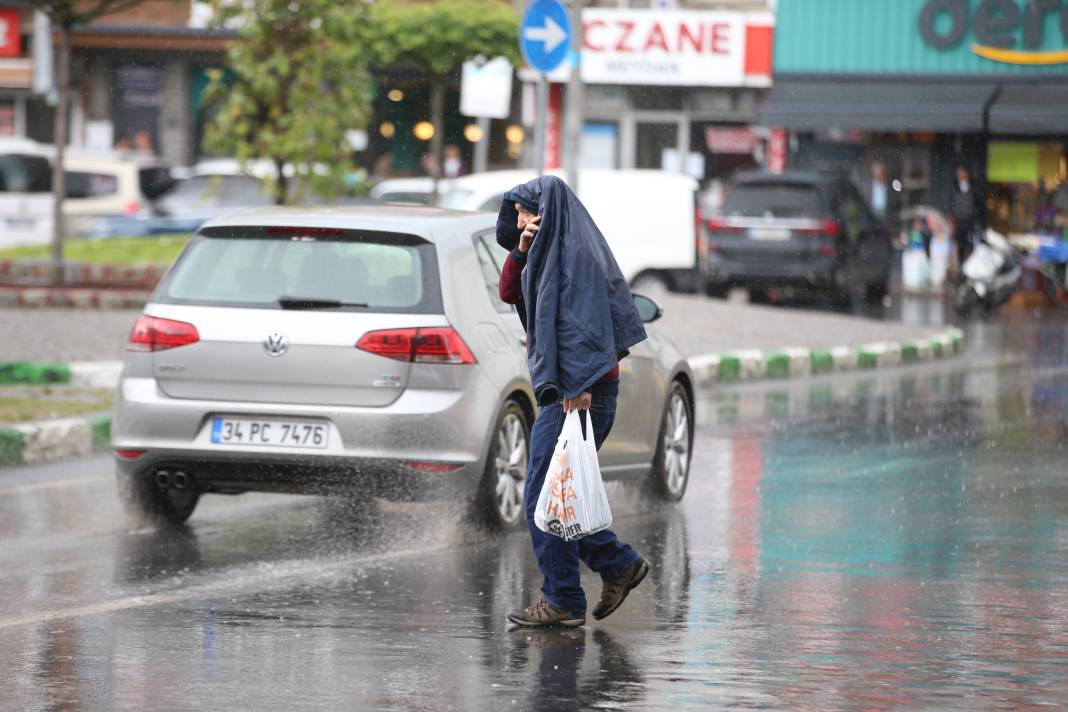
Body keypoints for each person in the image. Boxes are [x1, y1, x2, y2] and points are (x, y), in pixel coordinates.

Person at [496, 175, 650, 628]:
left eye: (527, 211)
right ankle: (617, 565)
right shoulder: (546, 252)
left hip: (581, 392)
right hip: (570, 390)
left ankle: (563, 597)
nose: (522, 219)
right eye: (518, 213)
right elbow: (510, 292)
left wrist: (579, 386)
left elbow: (588, 324)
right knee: (559, 497)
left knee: (546, 496)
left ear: (550, 210)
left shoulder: (576, 255)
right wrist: (520, 248)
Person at [950, 165, 982, 267]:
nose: (961, 176)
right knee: (959, 247)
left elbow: (978, 205)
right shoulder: (954, 188)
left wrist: (974, 217)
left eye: (963, 173)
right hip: (958, 223)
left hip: (970, 223)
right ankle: (960, 268)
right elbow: (951, 205)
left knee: (971, 246)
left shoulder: (974, 188)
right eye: (959, 173)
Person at [867, 161, 902, 234]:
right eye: (879, 175)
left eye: (883, 174)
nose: (881, 177)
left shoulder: (891, 186)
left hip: (887, 221)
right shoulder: (868, 186)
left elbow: (896, 203)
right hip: (872, 219)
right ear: (874, 175)